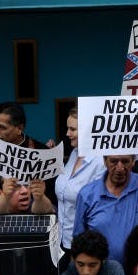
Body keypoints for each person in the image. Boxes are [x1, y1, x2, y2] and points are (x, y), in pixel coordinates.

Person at [0, 102, 54, 207]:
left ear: (19, 128)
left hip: (30, 216)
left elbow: (51, 196)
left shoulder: (41, 151)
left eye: (2, 127)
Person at [74, 155, 138, 265]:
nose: (119, 167)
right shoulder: (87, 194)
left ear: (133, 161)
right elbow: (78, 243)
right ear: (104, 161)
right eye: (113, 161)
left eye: (125, 161)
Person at [54, 107, 103, 253]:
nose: (67, 133)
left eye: (72, 129)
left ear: (87, 130)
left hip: (85, 246)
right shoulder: (74, 153)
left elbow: (97, 207)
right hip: (61, 241)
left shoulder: (100, 162)